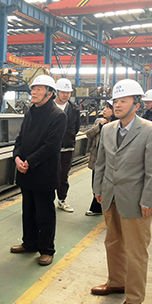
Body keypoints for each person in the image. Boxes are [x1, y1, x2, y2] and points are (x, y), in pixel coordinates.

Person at [91, 79, 152, 304]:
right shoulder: (108, 129)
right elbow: (101, 163)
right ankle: (116, 282)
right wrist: (98, 189)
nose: (117, 105)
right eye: (116, 101)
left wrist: (149, 200)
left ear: (137, 105)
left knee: (136, 252)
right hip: (110, 196)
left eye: (123, 101)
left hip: (136, 201)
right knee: (112, 243)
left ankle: (134, 298)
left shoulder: (151, 131)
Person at [11, 74, 67, 266]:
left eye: (39, 89)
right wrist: (17, 157)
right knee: (28, 211)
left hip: (44, 173)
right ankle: (29, 243)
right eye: (33, 89)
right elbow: (20, 138)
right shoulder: (30, 112)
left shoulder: (58, 116)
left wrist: (29, 161)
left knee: (44, 214)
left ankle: (46, 250)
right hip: (26, 171)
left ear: (49, 94)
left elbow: (51, 146)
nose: (34, 92)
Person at [85, 100, 117, 216]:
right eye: (104, 108)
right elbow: (89, 134)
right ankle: (98, 206)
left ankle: (99, 208)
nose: (104, 110)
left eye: (107, 108)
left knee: (108, 184)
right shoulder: (99, 122)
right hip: (98, 160)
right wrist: (100, 126)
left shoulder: (117, 125)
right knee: (96, 183)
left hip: (111, 161)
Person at [54, 78, 81, 213]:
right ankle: (46, 200)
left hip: (67, 147)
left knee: (63, 174)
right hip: (51, 148)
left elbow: (76, 128)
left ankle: (62, 199)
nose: (66, 95)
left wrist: (68, 139)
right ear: (56, 92)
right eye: (63, 92)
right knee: (48, 174)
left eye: (68, 92)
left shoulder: (74, 109)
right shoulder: (48, 107)